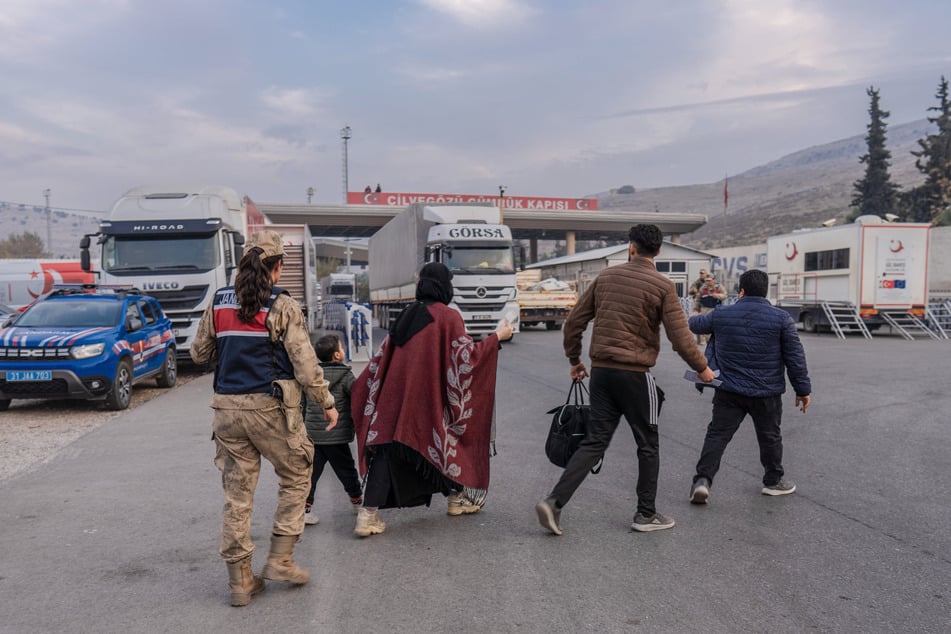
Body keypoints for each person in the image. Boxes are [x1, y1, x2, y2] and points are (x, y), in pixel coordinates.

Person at [535, 224, 715, 536]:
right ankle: (645, 514)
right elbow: (681, 337)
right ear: (658, 251)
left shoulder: (605, 277)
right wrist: (703, 368)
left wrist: (575, 360)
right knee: (648, 443)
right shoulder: (663, 286)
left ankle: (554, 502)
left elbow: (574, 322)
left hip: (601, 373)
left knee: (595, 441)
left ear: (631, 247)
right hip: (635, 375)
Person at [190, 230, 339, 607]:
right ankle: (281, 558)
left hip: (225, 410)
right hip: (270, 409)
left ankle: (241, 582)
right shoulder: (283, 305)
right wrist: (326, 401)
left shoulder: (219, 301)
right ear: (277, 268)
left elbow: (198, 353)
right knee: (298, 471)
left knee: (237, 496)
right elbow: (305, 366)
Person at [351, 262, 513, 537]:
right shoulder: (448, 317)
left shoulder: (406, 314)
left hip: (394, 397)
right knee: (441, 438)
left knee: (389, 451)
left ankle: (369, 515)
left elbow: (382, 356)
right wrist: (497, 337)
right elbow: (466, 358)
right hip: (427, 398)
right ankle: (456, 499)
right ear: (445, 285)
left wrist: (363, 389)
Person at [688, 269, 811, 504]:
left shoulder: (722, 314)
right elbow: (795, 357)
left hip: (729, 390)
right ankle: (773, 481)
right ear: (765, 291)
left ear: (741, 291)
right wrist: (802, 390)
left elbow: (695, 325)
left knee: (717, 435)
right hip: (767, 392)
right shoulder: (781, 318)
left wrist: (694, 310)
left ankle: (702, 481)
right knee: (770, 436)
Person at [303, 334, 363, 525]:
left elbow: (303, 403)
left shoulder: (313, 378)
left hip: (313, 435)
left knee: (310, 474)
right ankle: (357, 503)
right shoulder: (346, 376)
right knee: (347, 471)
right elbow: (357, 398)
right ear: (337, 355)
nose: (344, 350)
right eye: (342, 348)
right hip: (337, 437)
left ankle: (305, 509)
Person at [695, 275, 727, 343]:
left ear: (713, 280)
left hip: (716, 309)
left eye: (709, 280)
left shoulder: (718, 287)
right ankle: (705, 340)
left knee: (715, 326)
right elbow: (697, 300)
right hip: (705, 309)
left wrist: (717, 295)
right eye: (706, 281)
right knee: (705, 325)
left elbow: (725, 295)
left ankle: (713, 339)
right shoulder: (702, 288)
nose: (708, 282)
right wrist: (695, 310)